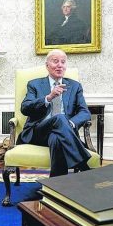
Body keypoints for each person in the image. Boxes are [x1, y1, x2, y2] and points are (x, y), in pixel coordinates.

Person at [17, 49, 92, 177]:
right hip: (38, 131)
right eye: (55, 61)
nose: (60, 65)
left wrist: (70, 124)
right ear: (47, 66)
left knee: (56, 137)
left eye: (63, 62)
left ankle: (55, 185)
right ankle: (83, 165)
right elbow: (25, 108)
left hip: (63, 132)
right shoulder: (34, 84)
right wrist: (49, 97)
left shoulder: (75, 86)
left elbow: (85, 112)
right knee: (59, 118)